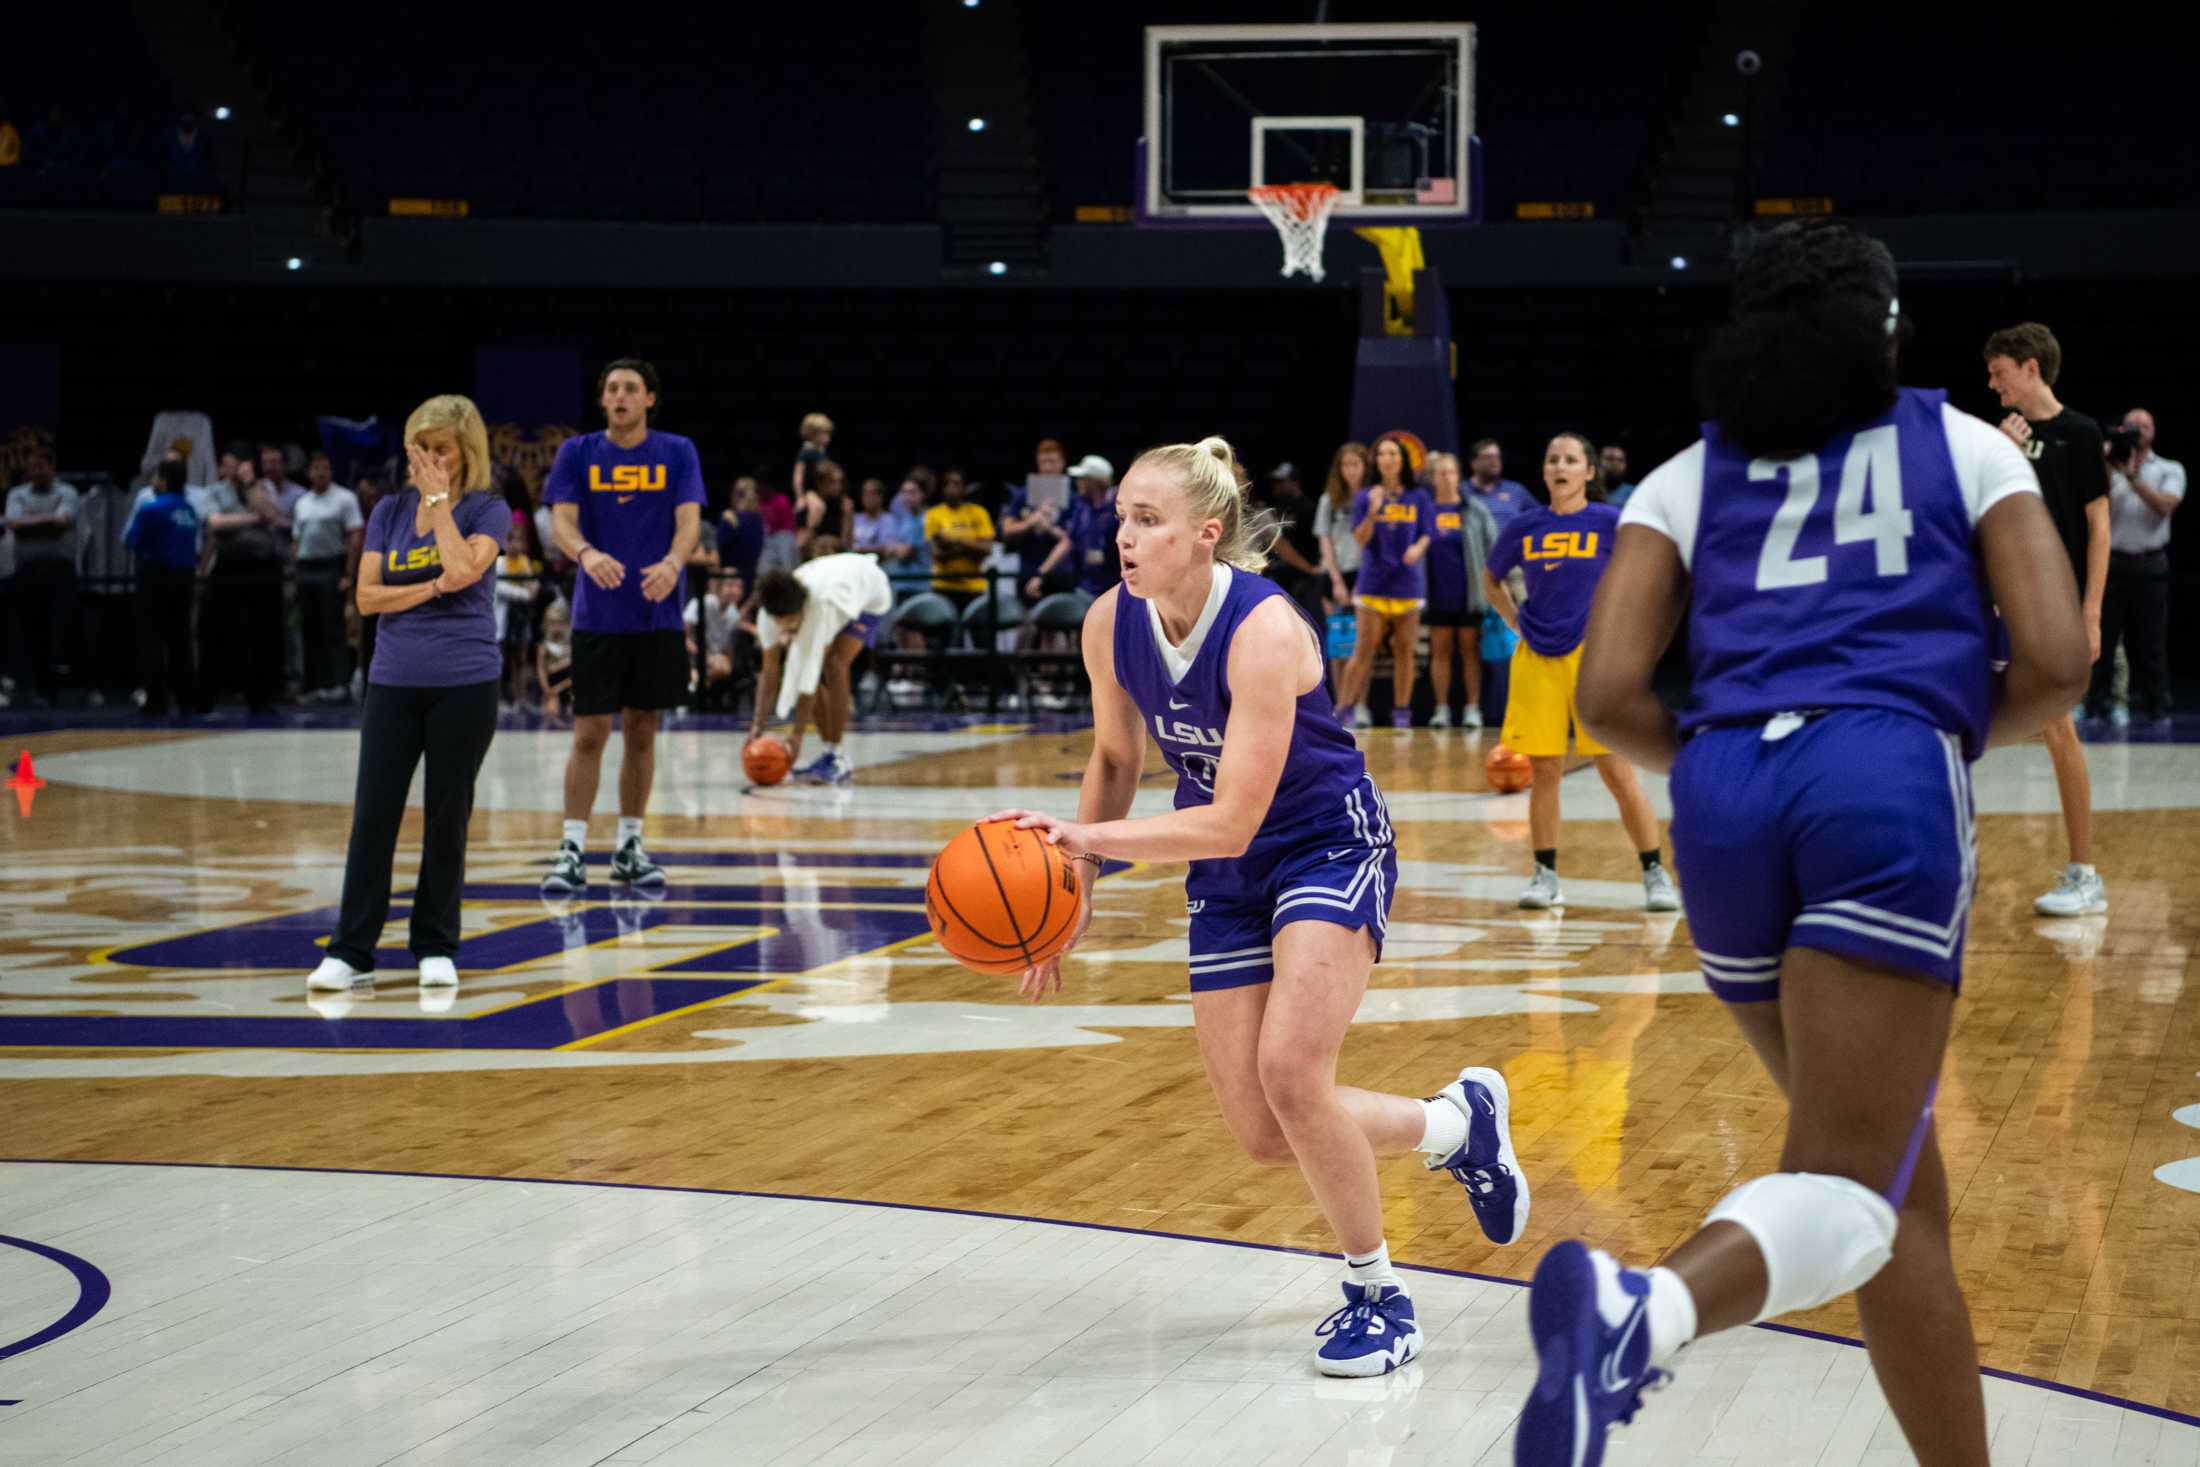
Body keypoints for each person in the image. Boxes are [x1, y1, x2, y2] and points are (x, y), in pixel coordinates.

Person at [1531, 218, 2090, 1467]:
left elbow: (1609, 700)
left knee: (1893, 1196)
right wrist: (1928, 731)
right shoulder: (1959, 445)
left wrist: (1735, 758)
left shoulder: (1685, 473)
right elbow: (2058, 661)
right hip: (1881, 772)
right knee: (1848, 1178)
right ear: (1886, 329)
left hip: (1720, 793)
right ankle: (1641, 1317)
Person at [993, 434, 1529, 1379]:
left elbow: (1234, 817)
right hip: (1230, 875)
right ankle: (1458, 1126)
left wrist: (1089, 843)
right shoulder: (1108, 623)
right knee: (1263, 1129)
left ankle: (1378, 1294)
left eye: (1147, 519)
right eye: (1121, 514)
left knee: (1291, 1069)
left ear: (1206, 534)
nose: (1124, 534)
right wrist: (1068, 901)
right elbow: (1116, 760)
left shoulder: (1267, 629)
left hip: (1325, 839)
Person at [305, 397, 506, 997]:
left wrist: (442, 506)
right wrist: (430, 589)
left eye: (440, 448)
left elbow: (466, 570)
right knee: (373, 816)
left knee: (448, 818)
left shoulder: (489, 509)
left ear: (465, 452)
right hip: (392, 681)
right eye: (419, 449)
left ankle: (436, 946)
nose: (427, 460)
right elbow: (367, 598)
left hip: (465, 683)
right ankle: (351, 949)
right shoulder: (389, 510)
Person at [1483, 433, 1676, 912]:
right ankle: (1545, 876)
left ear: (1589, 472)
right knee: (1544, 770)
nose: (1560, 466)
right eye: (1553, 459)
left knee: (1616, 769)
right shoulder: (1526, 526)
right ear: (1545, 472)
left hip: (1596, 656)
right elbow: (1490, 576)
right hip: (1538, 657)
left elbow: (1649, 570)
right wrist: (1512, 619)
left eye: (1570, 460)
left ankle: (1655, 873)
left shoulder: (1612, 522)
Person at [539, 358, 705, 896]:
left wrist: (674, 564)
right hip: (597, 616)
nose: (620, 396)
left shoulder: (677, 451)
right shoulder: (578, 452)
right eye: (612, 388)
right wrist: (585, 553)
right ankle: (571, 848)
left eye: (630, 389)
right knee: (589, 733)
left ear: (650, 399)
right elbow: (561, 521)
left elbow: (689, 522)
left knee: (642, 729)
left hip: (656, 613)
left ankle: (631, 845)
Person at [1983, 323, 2111, 916]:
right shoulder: (1998, 438)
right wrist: (2001, 454)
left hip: (2048, 604)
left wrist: (2090, 613)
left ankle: (2085, 873)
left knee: (2060, 731)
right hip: (1992, 601)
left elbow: (2099, 530)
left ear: (2030, 368)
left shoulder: (2081, 434)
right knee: (1955, 725)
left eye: (1999, 371)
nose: (1992, 383)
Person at [747, 552, 895, 785]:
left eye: (792, 622)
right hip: (838, 580)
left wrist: (797, 736)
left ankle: (836, 757)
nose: (788, 628)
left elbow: (809, 674)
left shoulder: (819, 607)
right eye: (782, 623)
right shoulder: (767, 614)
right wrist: (757, 726)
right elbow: (769, 672)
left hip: (869, 591)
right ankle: (828, 753)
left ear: (802, 610)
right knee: (812, 672)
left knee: (834, 664)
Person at [2092, 408, 2182, 725]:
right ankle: (2097, 704)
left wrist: (2132, 477)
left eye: (2145, 424)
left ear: (2154, 430)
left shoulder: (2169, 469)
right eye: (2132, 425)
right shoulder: (2108, 468)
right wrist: (2105, 463)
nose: (2138, 430)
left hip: (2151, 563)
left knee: (2151, 641)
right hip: (2113, 562)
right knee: (2103, 639)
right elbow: (2091, 505)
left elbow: (2164, 506)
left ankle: (2158, 705)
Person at [1337, 436, 1433, 730]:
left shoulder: (1419, 496)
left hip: (1407, 582)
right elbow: (1360, 538)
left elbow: (1427, 533)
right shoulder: (1366, 495)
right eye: (1382, 454)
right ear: (1376, 461)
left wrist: (1417, 549)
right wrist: (1374, 510)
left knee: (1405, 649)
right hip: (1374, 581)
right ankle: (1343, 710)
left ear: (1402, 459)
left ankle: (1402, 710)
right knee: (1364, 647)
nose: (1388, 458)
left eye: (1393, 453)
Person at [1424, 451, 1497, 729]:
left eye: (1450, 472)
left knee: (1469, 651)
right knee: (1440, 651)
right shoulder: (1427, 511)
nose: (1445, 477)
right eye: (1440, 473)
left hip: (1469, 594)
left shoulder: (1473, 509)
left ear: (1458, 475)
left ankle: (1472, 708)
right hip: (1437, 594)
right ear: (1433, 478)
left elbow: (1494, 545)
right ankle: (1441, 709)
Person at [122, 459, 200, 718]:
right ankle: (186, 698)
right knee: (181, 640)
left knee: (151, 639)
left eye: (155, 477)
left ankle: (156, 700)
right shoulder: (189, 510)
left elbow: (131, 541)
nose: (152, 482)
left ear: (163, 480)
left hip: (155, 578)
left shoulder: (150, 508)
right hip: (184, 578)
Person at [4, 448, 80, 705]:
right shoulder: (18, 494)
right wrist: (47, 522)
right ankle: (34, 687)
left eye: (41, 467)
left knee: (58, 627)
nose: (37, 472)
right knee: (30, 629)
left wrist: (31, 522)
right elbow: (13, 524)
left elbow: (62, 522)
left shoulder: (66, 492)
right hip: (28, 571)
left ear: (52, 467)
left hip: (58, 570)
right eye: (32, 467)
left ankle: (58, 689)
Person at [292, 451, 365, 703]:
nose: (320, 473)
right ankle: (312, 686)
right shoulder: (302, 502)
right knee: (309, 628)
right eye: (316, 468)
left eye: (325, 468)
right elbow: (296, 539)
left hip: (332, 566)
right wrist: (295, 571)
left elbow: (354, 537)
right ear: (309, 472)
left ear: (331, 471)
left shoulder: (344, 499)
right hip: (306, 568)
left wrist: (348, 573)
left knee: (333, 627)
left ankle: (339, 684)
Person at [1312, 442, 1368, 696]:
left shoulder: (1372, 498)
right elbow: (1325, 541)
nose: (1351, 471)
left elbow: (1374, 543)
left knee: (1362, 646)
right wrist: (1336, 581)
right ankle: (1341, 703)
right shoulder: (1329, 500)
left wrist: (1362, 582)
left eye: (1355, 465)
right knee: (1338, 645)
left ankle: (1361, 705)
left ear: (1365, 467)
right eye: (1346, 465)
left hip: (1364, 575)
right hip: (1335, 574)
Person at [923, 467, 995, 612]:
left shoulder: (979, 513)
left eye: (956, 484)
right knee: (943, 633)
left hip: (973, 586)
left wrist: (953, 541)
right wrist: (971, 547)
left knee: (981, 634)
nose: (951, 488)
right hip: (943, 586)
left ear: (964, 488)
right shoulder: (933, 514)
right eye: (947, 484)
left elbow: (986, 549)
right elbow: (937, 555)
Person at [495, 517, 538, 708]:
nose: (516, 544)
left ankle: (521, 698)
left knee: (520, 659)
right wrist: (524, 593)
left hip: (521, 617)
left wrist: (532, 589)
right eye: (512, 540)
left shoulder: (525, 562)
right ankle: (499, 698)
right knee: (501, 660)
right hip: (504, 617)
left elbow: (533, 585)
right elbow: (501, 589)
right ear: (505, 542)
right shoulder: (499, 563)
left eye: (520, 540)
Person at [1467, 438, 1534, 525]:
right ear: (1473, 462)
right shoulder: (1461, 492)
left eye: (1497, 456)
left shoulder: (1516, 491)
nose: (1494, 461)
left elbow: (1539, 518)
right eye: (1488, 457)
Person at [798, 458, 853, 553]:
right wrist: (813, 524)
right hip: (813, 557)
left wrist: (847, 518)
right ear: (820, 483)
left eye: (840, 482)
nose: (838, 486)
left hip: (836, 555)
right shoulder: (809, 504)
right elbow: (801, 546)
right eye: (833, 482)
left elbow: (846, 544)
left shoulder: (844, 505)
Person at [792, 411, 833, 495]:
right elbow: (798, 477)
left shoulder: (822, 452)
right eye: (824, 433)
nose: (828, 437)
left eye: (828, 433)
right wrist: (800, 496)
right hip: (810, 493)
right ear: (812, 434)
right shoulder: (806, 452)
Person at [1598, 442, 1637, 507]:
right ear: (1597, 461)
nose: (1615, 464)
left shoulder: (1634, 493)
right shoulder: (1585, 491)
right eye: (1609, 459)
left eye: (1621, 460)